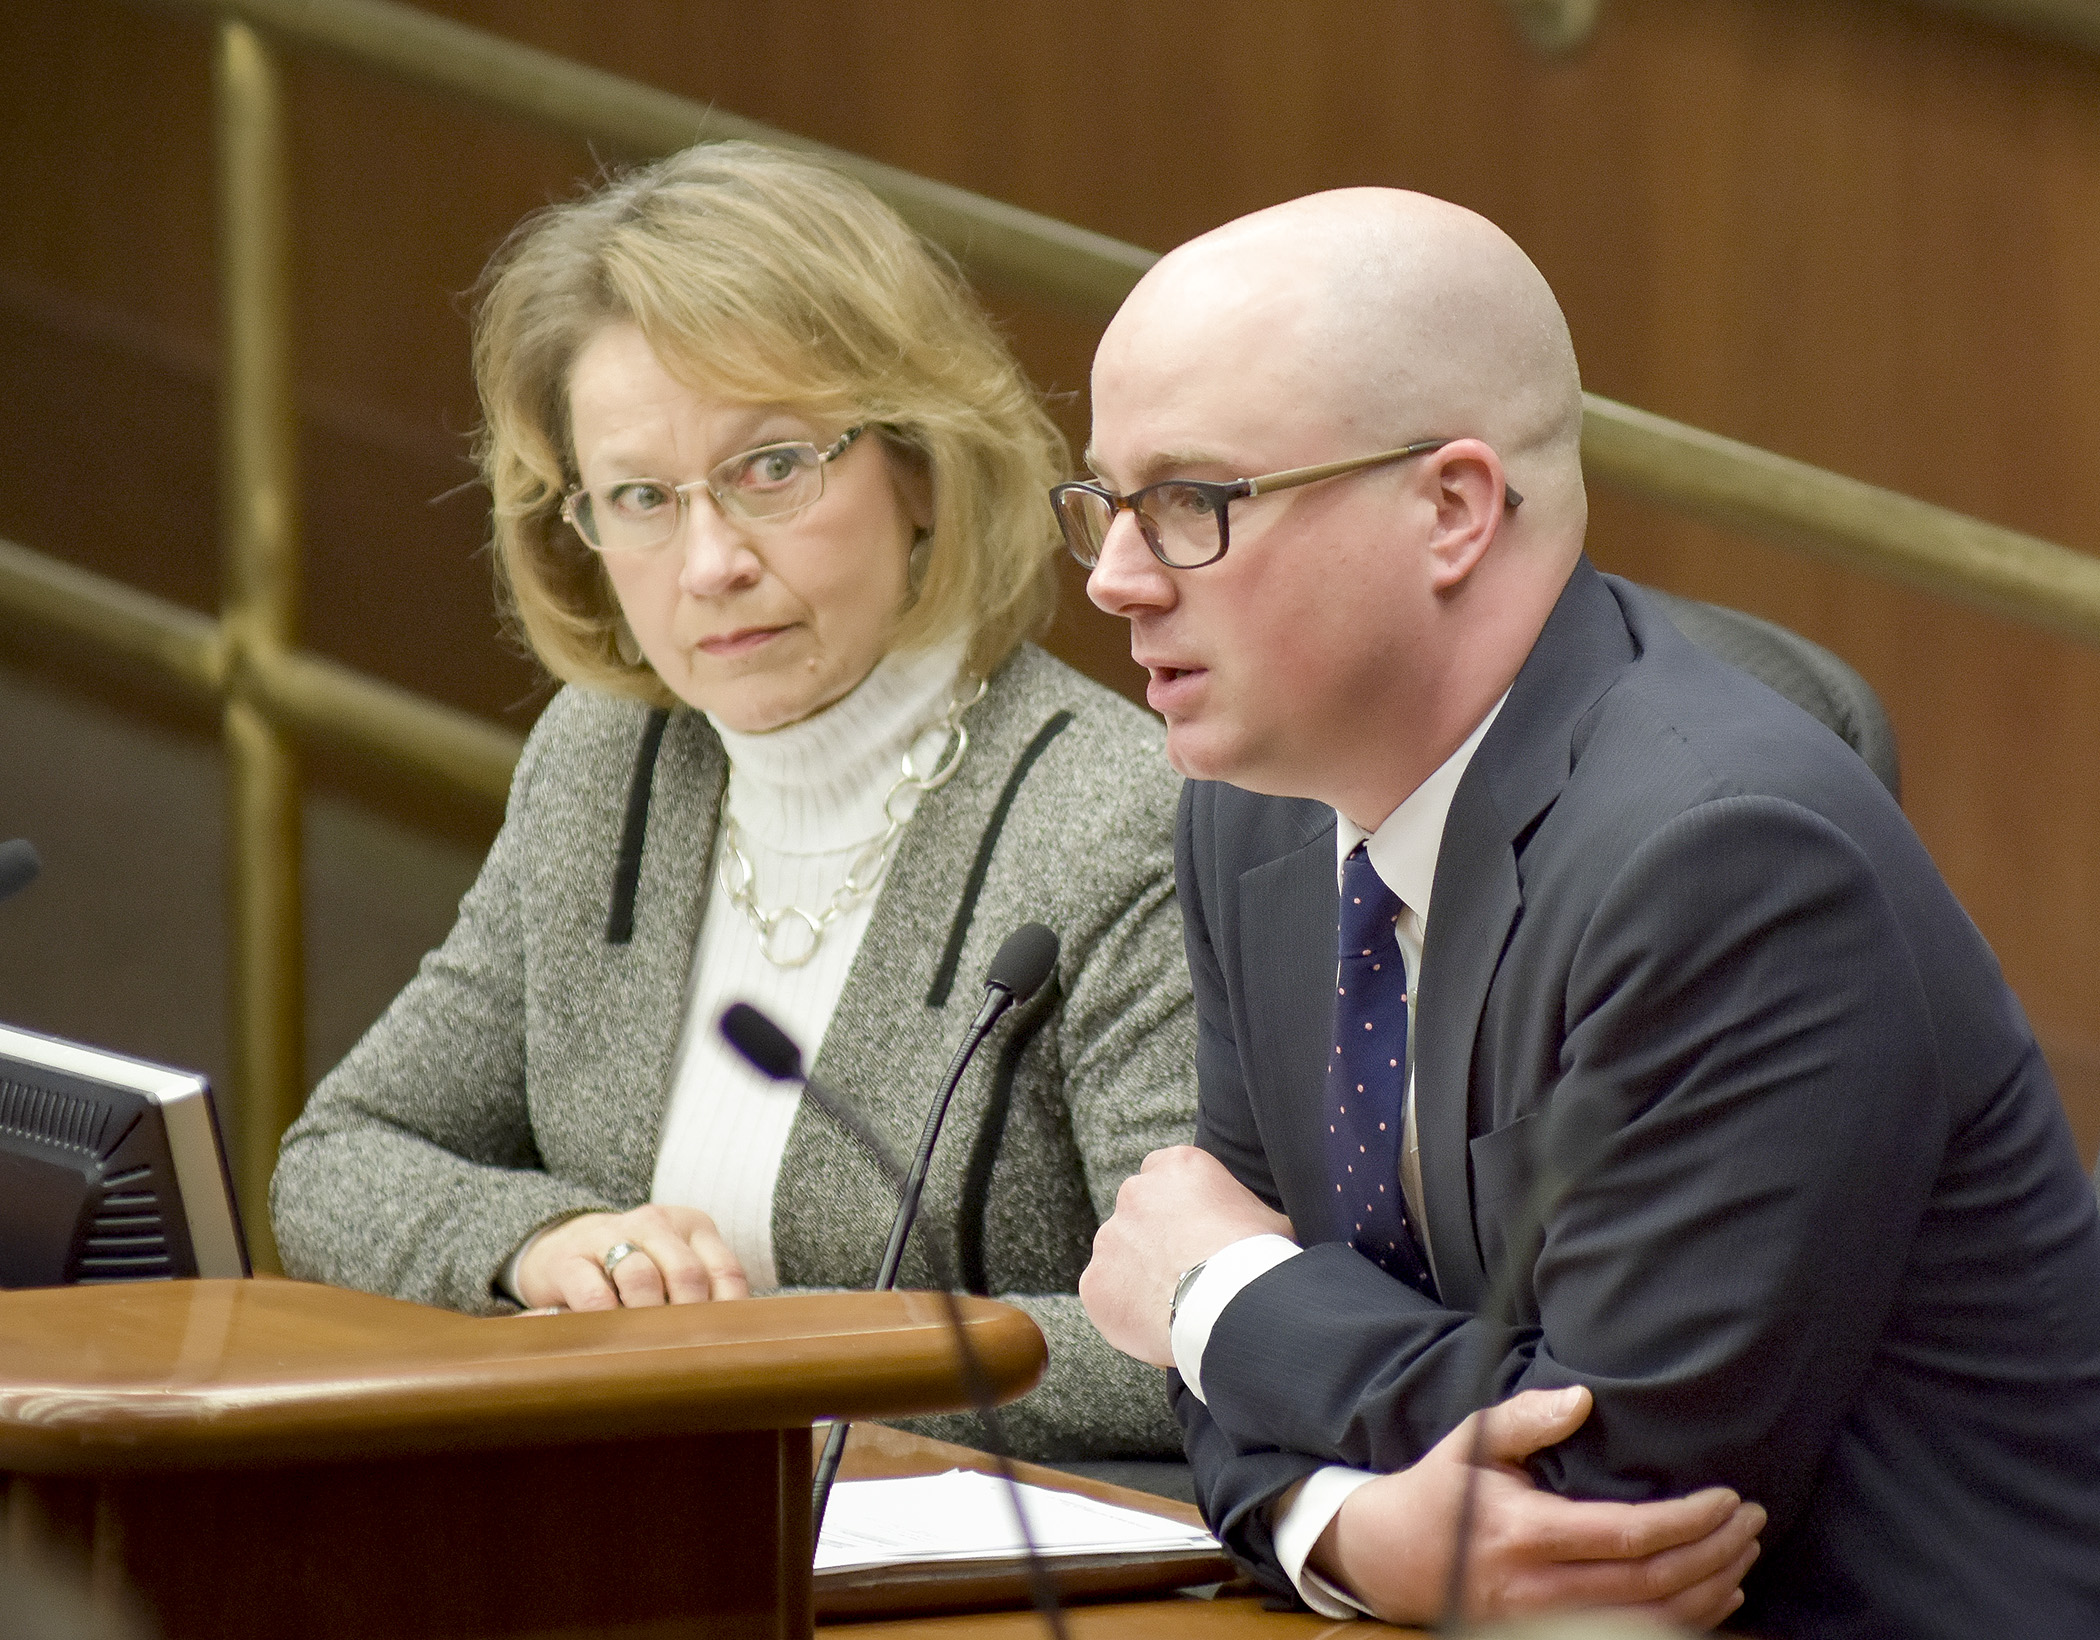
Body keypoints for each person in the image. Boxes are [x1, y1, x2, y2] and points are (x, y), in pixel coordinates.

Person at [1069, 187, 2100, 1634]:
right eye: (1105, 504)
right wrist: (1345, 1528)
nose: (1117, 578)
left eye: (1191, 505)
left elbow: (1615, 1485)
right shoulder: (1256, 808)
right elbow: (1237, 1381)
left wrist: (1219, 1298)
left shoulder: (1728, 859)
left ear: (1452, 508)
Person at [270, 141, 1194, 1465]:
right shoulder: (613, 760)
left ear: (919, 466)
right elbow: (342, 1157)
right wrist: (543, 1244)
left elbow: (1196, 1337)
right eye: (641, 498)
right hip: (642, 1530)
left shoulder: (1116, 824)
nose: (710, 564)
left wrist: (744, 1354)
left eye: (772, 468)